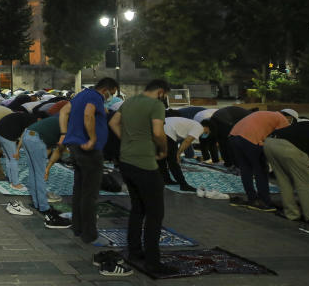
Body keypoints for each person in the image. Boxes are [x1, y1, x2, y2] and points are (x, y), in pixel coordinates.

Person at [108, 79, 174, 275]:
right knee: (155, 213)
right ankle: (153, 261)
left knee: (138, 208)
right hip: (145, 162)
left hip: (126, 160)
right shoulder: (156, 105)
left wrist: (127, 139)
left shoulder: (130, 101)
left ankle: (135, 251)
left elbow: (113, 122)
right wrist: (164, 149)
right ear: (161, 92)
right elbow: (158, 132)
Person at [58, 78, 119, 244]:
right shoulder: (95, 97)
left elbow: (64, 111)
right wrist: (92, 138)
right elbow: (88, 113)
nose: (110, 97)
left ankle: (77, 227)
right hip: (88, 149)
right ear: (107, 89)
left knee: (79, 189)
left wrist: (64, 134)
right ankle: (89, 233)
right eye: (111, 93)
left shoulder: (81, 95)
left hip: (74, 146)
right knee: (90, 193)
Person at [228, 109, 297, 212]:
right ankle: (265, 201)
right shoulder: (282, 119)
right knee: (261, 170)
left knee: (246, 169)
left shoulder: (267, 114)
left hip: (234, 136)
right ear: (290, 117)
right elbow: (283, 138)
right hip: (250, 139)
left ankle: (252, 199)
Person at [160, 117, 209, 192]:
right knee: (173, 160)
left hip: (160, 126)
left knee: (162, 156)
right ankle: (183, 185)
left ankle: (166, 179)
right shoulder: (200, 128)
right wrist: (178, 154)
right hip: (168, 130)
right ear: (208, 128)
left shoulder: (193, 124)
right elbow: (187, 141)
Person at [0, 111, 37, 191]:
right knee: (14, 159)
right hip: (7, 136)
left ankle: (10, 179)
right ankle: (15, 184)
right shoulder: (32, 121)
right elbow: (24, 136)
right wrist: (17, 150)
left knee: (8, 158)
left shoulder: (24, 116)